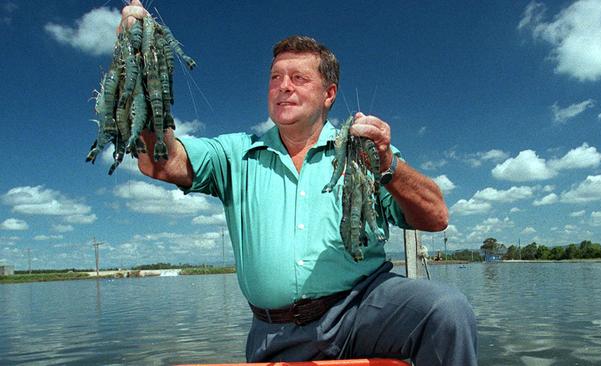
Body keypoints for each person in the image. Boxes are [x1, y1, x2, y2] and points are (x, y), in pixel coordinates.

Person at [120, 1, 478, 364]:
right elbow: (159, 162)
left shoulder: (364, 150)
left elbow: (436, 218)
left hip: (362, 307)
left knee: (446, 310)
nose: (283, 87)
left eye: (299, 78)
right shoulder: (234, 154)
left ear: (329, 94)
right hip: (275, 329)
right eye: (275, 78)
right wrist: (139, 58)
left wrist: (388, 164)